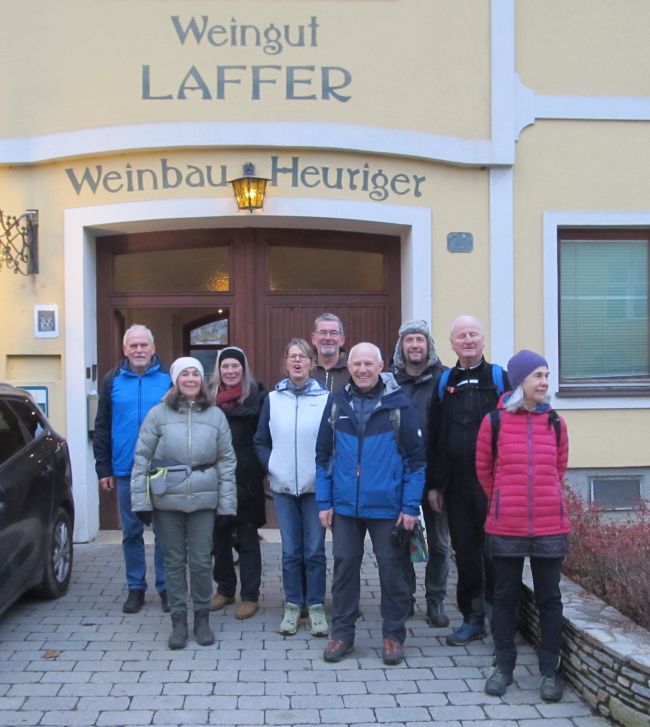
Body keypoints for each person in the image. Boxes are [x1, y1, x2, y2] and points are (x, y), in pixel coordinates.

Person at [316, 342, 425, 665]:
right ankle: (342, 635)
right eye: (356, 364)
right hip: (345, 507)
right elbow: (323, 457)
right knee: (344, 572)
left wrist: (410, 506)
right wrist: (324, 501)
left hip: (387, 507)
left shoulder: (398, 405)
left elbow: (416, 461)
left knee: (392, 573)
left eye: (368, 364)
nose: (362, 370)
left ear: (381, 367)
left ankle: (393, 636)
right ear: (348, 368)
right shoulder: (337, 403)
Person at [476, 350, 570, 702]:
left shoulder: (556, 422)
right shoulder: (494, 422)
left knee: (550, 599)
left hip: (550, 526)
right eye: (538, 376)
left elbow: (558, 469)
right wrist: (504, 500)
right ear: (519, 382)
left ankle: (550, 671)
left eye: (546, 375)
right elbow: (484, 471)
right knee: (505, 599)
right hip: (506, 525)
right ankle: (503, 667)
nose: (544, 382)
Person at [130, 357, 237, 650]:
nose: (190, 379)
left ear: (202, 380)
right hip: (167, 500)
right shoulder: (158, 414)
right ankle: (178, 619)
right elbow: (142, 458)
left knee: (201, 561)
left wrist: (227, 505)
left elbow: (227, 461)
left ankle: (202, 617)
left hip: (204, 499)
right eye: (184, 374)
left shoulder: (215, 416)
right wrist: (141, 501)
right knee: (174, 562)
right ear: (176, 380)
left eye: (195, 374)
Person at [427, 315, 509, 645]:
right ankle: (472, 619)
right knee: (465, 553)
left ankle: (502, 619)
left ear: (483, 340)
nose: (468, 340)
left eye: (473, 334)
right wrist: (435, 484)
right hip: (457, 485)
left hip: (493, 485)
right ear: (452, 344)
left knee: (497, 553)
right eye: (461, 336)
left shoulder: (499, 377)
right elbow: (435, 434)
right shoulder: (445, 381)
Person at [253, 338, 329, 637]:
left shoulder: (326, 399)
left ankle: (317, 606)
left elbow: (332, 442)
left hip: (315, 488)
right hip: (283, 487)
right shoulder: (273, 399)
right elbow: (260, 440)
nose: (297, 361)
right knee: (291, 551)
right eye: (292, 356)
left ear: (312, 362)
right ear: (285, 363)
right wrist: (272, 464)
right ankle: (293, 605)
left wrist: (325, 474)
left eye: (303, 356)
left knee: (314, 551)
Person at [93, 324, 170, 614]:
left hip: (161, 469)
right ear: (125, 350)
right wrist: (103, 468)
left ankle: (166, 587)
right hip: (125, 469)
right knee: (131, 532)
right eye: (133, 346)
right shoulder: (112, 380)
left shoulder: (167, 380)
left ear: (153, 348)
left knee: (164, 533)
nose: (139, 350)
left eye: (143, 345)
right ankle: (136, 588)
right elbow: (102, 425)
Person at [391, 319, 451, 627]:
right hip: (400, 479)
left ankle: (435, 599)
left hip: (436, 478)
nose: (415, 345)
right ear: (401, 347)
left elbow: (448, 432)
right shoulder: (390, 382)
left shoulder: (444, 379)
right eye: (409, 340)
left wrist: (440, 482)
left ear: (429, 345)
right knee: (401, 541)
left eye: (420, 339)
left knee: (439, 544)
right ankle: (405, 598)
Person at [209, 346, 267, 620]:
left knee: (247, 541)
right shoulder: (208, 399)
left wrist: (259, 469)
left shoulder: (257, 399)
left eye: (235, 366)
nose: (230, 371)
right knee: (218, 538)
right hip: (215, 479)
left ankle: (250, 596)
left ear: (243, 369)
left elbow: (264, 437)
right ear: (218, 370)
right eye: (225, 366)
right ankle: (225, 589)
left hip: (246, 480)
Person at [311, 312, 349, 392]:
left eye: (333, 333)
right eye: (323, 332)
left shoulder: (353, 371)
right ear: (313, 339)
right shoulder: (305, 370)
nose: (328, 338)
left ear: (342, 339)